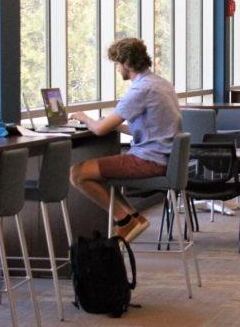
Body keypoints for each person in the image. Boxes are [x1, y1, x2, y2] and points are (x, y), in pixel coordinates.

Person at [69, 38, 181, 242]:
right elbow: (153, 130)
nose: (117, 69)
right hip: (162, 156)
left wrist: (84, 118)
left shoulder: (140, 90)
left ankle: (125, 221)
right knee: (101, 175)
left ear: (127, 64)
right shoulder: (161, 83)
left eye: (117, 64)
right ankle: (134, 217)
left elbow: (100, 130)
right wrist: (117, 125)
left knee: (77, 174)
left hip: (149, 160)